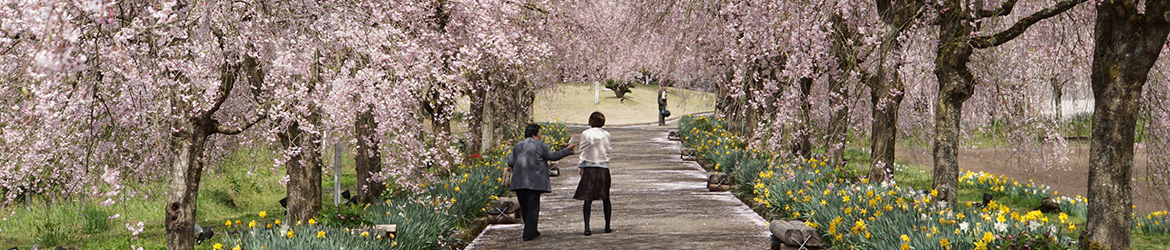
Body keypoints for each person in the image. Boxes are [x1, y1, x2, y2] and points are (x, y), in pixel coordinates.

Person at [508, 123, 576, 241]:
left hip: (519, 181)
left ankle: (532, 230)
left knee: (525, 207)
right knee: (533, 207)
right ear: (534, 135)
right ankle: (528, 234)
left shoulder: (518, 145)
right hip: (534, 181)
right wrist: (567, 150)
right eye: (540, 134)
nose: (541, 136)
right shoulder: (540, 145)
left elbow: (510, 162)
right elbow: (553, 156)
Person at [574, 112, 613, 235]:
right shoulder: (606, 134)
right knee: (605, 197)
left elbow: (584, 149)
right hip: (603, 167)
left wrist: (581, 164)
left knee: (588, 199)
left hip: (589, 167)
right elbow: (608, 149)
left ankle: (587, 227)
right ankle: (607, 226)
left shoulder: (586, 133)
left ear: (590, 120)